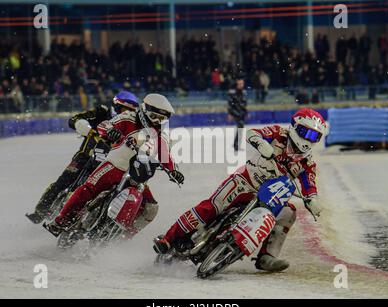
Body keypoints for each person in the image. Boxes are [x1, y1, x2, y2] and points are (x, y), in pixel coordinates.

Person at [154, 108, 328, 272]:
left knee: (289, 213)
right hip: (245, 181)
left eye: (316, 136)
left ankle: (267, 256)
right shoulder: (278, 134)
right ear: (295, 127)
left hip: (270, 197)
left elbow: (309, 185)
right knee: (212, 207)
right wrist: (260, 143)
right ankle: (168, 239)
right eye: (307, 133)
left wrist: (312, 199)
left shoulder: (308, 162)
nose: (310, 140)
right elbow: (253, 133)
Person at [44, 93, 184, 235]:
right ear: (146, 110)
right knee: (88, 189)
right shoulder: (129, 117)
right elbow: (105, 125)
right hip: (115, 165)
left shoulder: (160, 133)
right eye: (155, 117)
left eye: (162, 119)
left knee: (150, 208)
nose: (158, 121)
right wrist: (111, 131)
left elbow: (165, 155)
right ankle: (60, 221)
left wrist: (173, 171)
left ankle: (124, 236)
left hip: (137, 176)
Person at [26, 91, 139, 224]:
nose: (126, 113)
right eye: (124, 109)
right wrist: (84, 126)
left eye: (129, 110)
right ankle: (40, 212)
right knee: (63, 181)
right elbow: (74, 119)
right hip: (86, 155)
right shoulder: (102, 112)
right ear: (116, 106)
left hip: (111, 162)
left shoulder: (131, 124)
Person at [228, 77, 248, 151]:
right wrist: (230, 114)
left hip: (241, 113)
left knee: (240, 128)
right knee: (240, 128)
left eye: (242, 83)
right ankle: (236, 145)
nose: (241, 85)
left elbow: (244, 104)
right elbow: (230, 104)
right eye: (240, 83)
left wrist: (245, 113)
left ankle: (236, 145)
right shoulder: (233, 93)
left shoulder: (243, 92)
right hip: (236, 113)